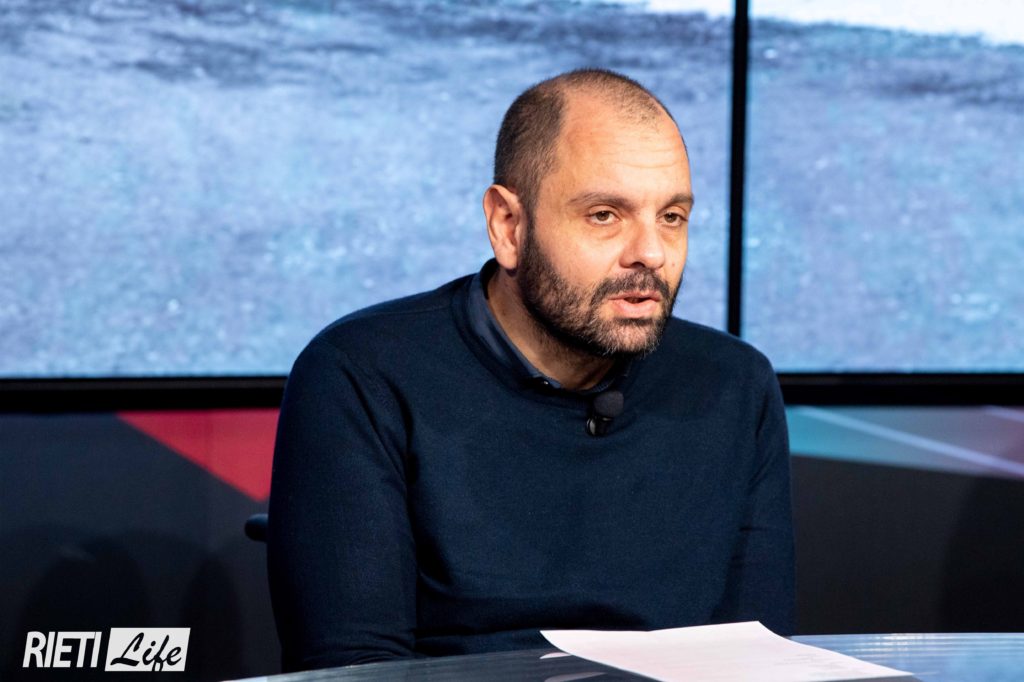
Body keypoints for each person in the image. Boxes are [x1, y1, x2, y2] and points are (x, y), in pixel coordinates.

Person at [267, 68, 794, 672]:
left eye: (672, 216)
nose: (651, 253)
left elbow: (759, 662)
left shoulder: (734, 385)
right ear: (508, 226)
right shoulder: (362, 373)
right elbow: (355, 670)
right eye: (605, 215)